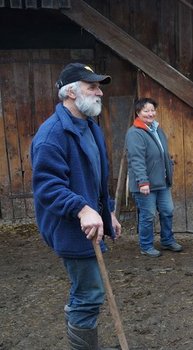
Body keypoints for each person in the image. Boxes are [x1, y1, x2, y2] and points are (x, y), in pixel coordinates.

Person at [31, 62, 122, 349]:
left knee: (90, 289)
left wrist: (108, 212)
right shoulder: (52, 135)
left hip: (90, 221)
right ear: (70, 92)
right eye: (92, 86)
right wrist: (82, 209)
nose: (100, 93)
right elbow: (47, 186)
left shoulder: (89, 127)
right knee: (89, 292)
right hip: (70, 225)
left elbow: (96, 178)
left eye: (99, 87)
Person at [126, 97, 182, 257]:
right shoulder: (135, 133)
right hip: (146, 184)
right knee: (148, 215)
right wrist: (142, 182)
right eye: (146, 111)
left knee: (167, 210)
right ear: (138, 113)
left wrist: (169, 167)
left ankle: (167, 240)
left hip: (161, 181)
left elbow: (163, 153)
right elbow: (136, 159)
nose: (150, 114)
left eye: (152, 110)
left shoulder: (157, 129)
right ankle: (146, 245)